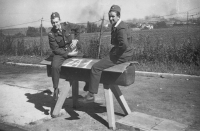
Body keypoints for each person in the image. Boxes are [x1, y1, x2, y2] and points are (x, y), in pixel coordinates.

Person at [81, 5, 134, 103]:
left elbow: (124, 45)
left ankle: (91, 94)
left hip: (122, 55)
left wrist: (115, 54)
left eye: (113, 16)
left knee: (96, 68)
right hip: (123, 53)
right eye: (109, 16)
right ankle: (89, 83)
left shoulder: (120, 28)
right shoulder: (118, 25)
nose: (111, 19)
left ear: (118, 16)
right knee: (98, 63)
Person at [48, 12, 86, 100]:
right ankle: (56, 89)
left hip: (71, 49)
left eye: (57, 22)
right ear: (51, 23)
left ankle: (88, 83)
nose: (55, 24)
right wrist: (68, 54)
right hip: (60, 53)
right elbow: (55, 49)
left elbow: (78, 28)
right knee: (54, 66)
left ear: (60, 20)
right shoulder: (51, 34)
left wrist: (76, 40)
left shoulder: (67, 26)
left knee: (85, 60)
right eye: (53, 22)